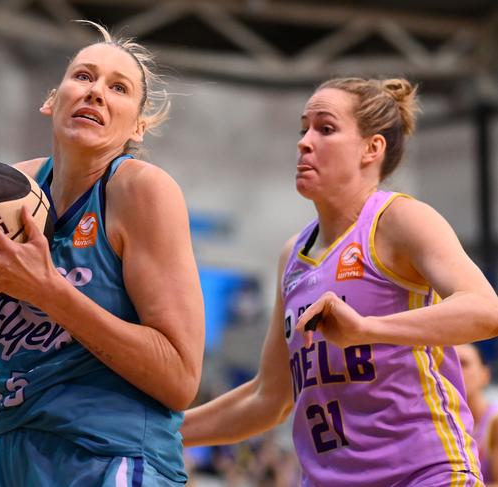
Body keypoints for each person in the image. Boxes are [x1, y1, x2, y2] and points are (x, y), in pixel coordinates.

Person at [0, 21, 204, 486]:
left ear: (138, 127)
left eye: (118, 87)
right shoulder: (6, 193)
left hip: (112, 456)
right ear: (52, 100)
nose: (96, 93)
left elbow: (180, 379)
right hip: (12, 453)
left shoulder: (141, 191)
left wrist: (47, 291)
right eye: (83, 76)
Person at [181, 77, 498, 486]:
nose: (304, 142)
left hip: (423, 474)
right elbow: (269, 398)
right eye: (303, 128)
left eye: (325, 128)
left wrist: (368, 329)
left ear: (372, 148)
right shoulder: (292, 257)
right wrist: (160, 432)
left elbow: (486, 309)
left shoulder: (399, 220)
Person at [456, 343, 498, 485]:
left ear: (485, 375)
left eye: (463, 363)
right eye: (450, 364)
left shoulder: (495, 420)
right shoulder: (436, 423)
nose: (455, 371)